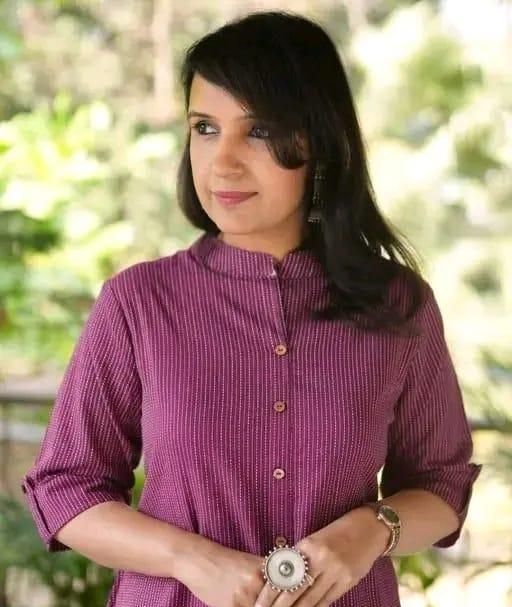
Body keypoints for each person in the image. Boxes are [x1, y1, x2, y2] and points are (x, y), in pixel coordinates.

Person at [21, 10, 481, 607]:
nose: (223, 161)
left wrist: (370, 530)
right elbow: (66, 488)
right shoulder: (139, 302)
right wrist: (191, 559)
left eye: (259, 130)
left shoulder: (399, 306)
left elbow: (441, 485)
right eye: (205, 128)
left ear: (318, 141)